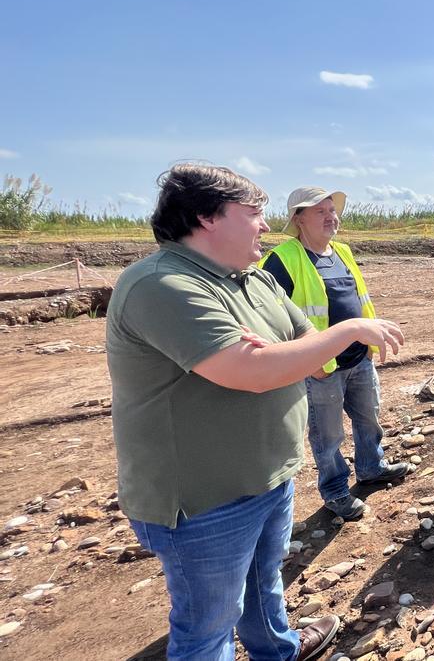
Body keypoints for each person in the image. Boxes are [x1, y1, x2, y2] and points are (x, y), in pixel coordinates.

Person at [107, 164, 406, 660]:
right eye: (254, 214)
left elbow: (306, 348)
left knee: (266, 587)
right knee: (207, 631)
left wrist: (280, 353)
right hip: (204, 500)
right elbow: (254, 372)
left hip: (270, 475)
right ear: (207, 217)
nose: (264, 226)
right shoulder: (162, 285)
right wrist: (345, 330)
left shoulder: (249, 279)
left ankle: (278, 649)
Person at [260, 187, 413, 521]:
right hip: (321, 367)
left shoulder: (342, 252)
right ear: (298, 218)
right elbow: (269, 315)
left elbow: (361, 301)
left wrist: (370, 346)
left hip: (359, 358)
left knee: (368, 419)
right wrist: (307, 361)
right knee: (327, 435)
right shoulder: (282, 259)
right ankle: (335, 491)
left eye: (333, 210)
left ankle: (371, 467)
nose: (331, 216)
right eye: (320, 211)